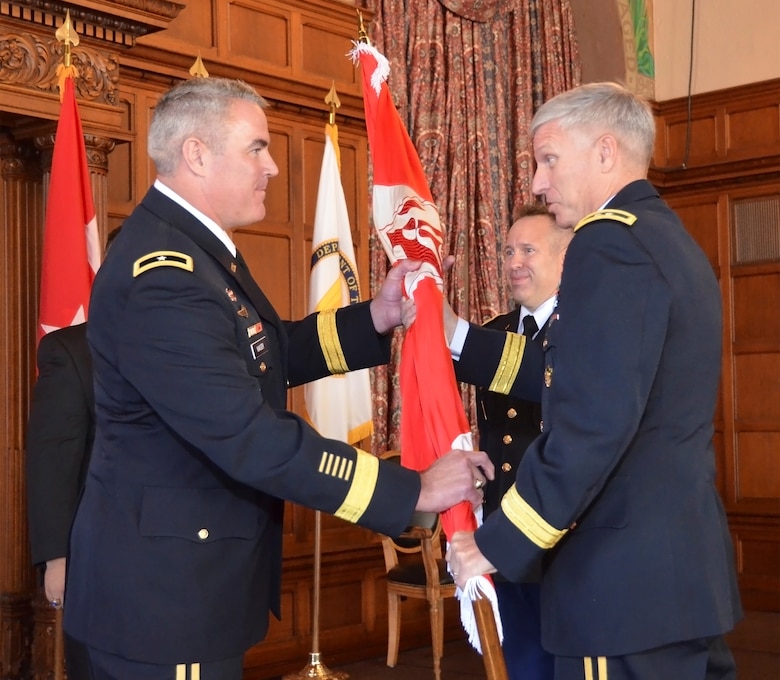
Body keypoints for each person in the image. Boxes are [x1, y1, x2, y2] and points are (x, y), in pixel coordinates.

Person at [62, 76, 493, 680]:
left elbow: (269, 350)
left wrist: (377, 315)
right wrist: (414, 491)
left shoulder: (196, 251)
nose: (272, 167)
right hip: (166, 604)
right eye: (256, 148)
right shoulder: (165, 274)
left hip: (187, 586)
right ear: (196, 154)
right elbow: (250, 437)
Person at [447, 82, 742, 680]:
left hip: (619, 584)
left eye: (549, 159)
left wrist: (496, 543)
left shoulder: (607, 245)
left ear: (605, 152)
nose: (536, 182)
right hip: (673, 576)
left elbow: (591, 427)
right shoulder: (668, 239)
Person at [446, 205, 571, 679]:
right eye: (508, 250)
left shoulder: (578, 333)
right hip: (503, 533)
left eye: (529, 250)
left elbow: (541, 371)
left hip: (560, 539)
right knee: (519, 663)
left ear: (563, 258)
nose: (515, 261)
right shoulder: (494, 333)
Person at [26, 226, 121, 680]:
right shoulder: (71, 351)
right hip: (94, 555)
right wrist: (56, 559)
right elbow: (53, 462)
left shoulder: (182, 345)